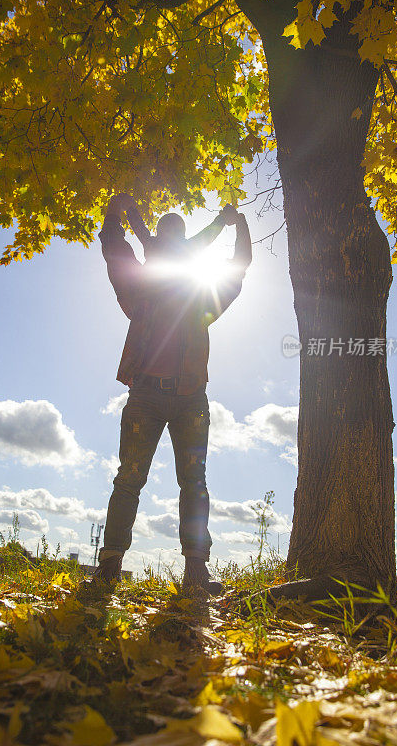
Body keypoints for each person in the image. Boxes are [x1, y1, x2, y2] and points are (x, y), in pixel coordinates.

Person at [94, 193, 252, 593]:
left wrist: (240, 224)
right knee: (130, 479)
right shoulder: (141, 293)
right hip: (147, 397)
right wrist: (117, 212)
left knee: (192, 482)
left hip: (189, 400)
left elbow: (239, 266)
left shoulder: (200, 298)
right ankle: (110, 564)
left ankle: (195, 569)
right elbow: (115, 250)